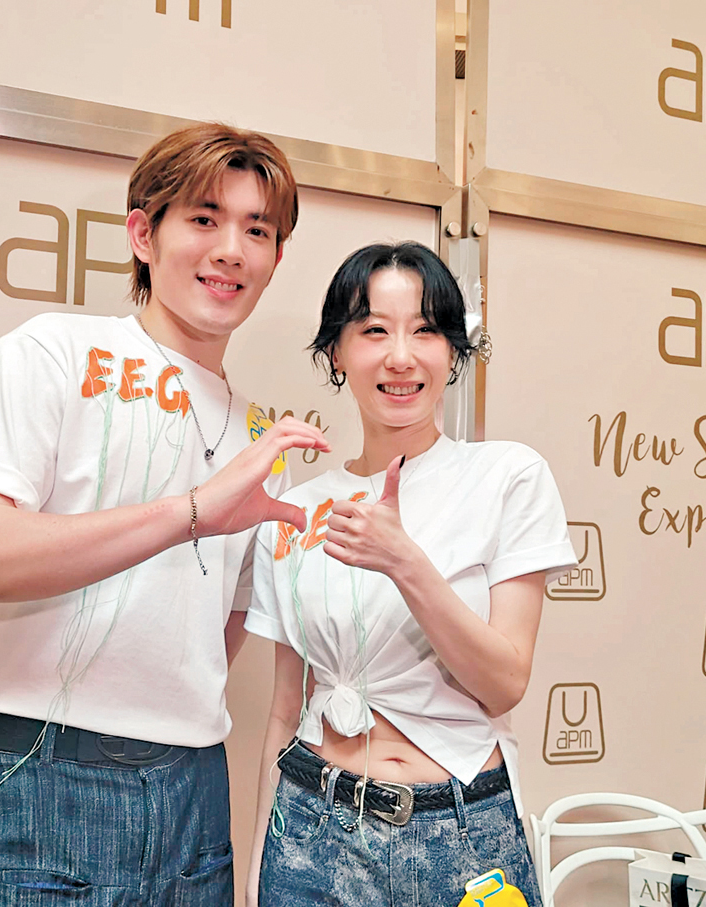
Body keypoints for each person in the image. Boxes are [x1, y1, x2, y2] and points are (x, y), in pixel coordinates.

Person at [0, 122, 329, 906]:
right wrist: (192, 511)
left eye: (257, 230)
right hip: (34, 778)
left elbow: (217, 628)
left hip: (192, 792)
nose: (231, 250)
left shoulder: (256, 433)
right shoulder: (53, 353)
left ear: (277, 258)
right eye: (203, 218)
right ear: (143, 233)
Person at [245, 242, 576, 906]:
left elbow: (503, 683)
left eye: (424, 330)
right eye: (374, 330)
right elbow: (285, 708)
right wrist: (258, 864)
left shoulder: (506, 477)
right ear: (336, 353)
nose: (401, 356)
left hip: (461, 833)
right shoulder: (297, 509)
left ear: (452, 351)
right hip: (309, 828)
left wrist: (404, 562)